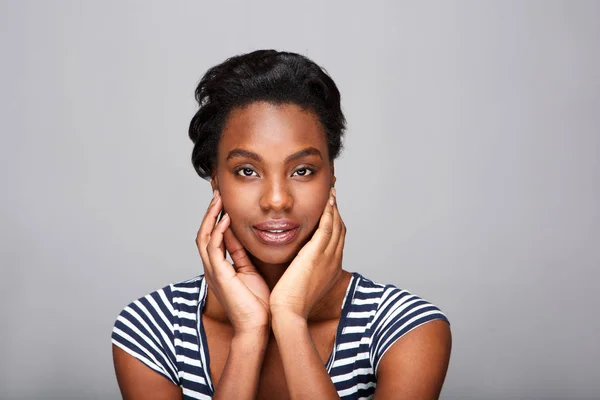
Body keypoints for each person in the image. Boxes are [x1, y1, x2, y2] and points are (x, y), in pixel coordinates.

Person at [111, 49, 451, 400]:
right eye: (247, 170)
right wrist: (249, 335)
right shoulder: (153, 328)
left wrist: (289, 321)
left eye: (302, 170)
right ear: (215, 178)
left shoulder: (405, 328)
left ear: (331, 176)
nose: (277, 199)